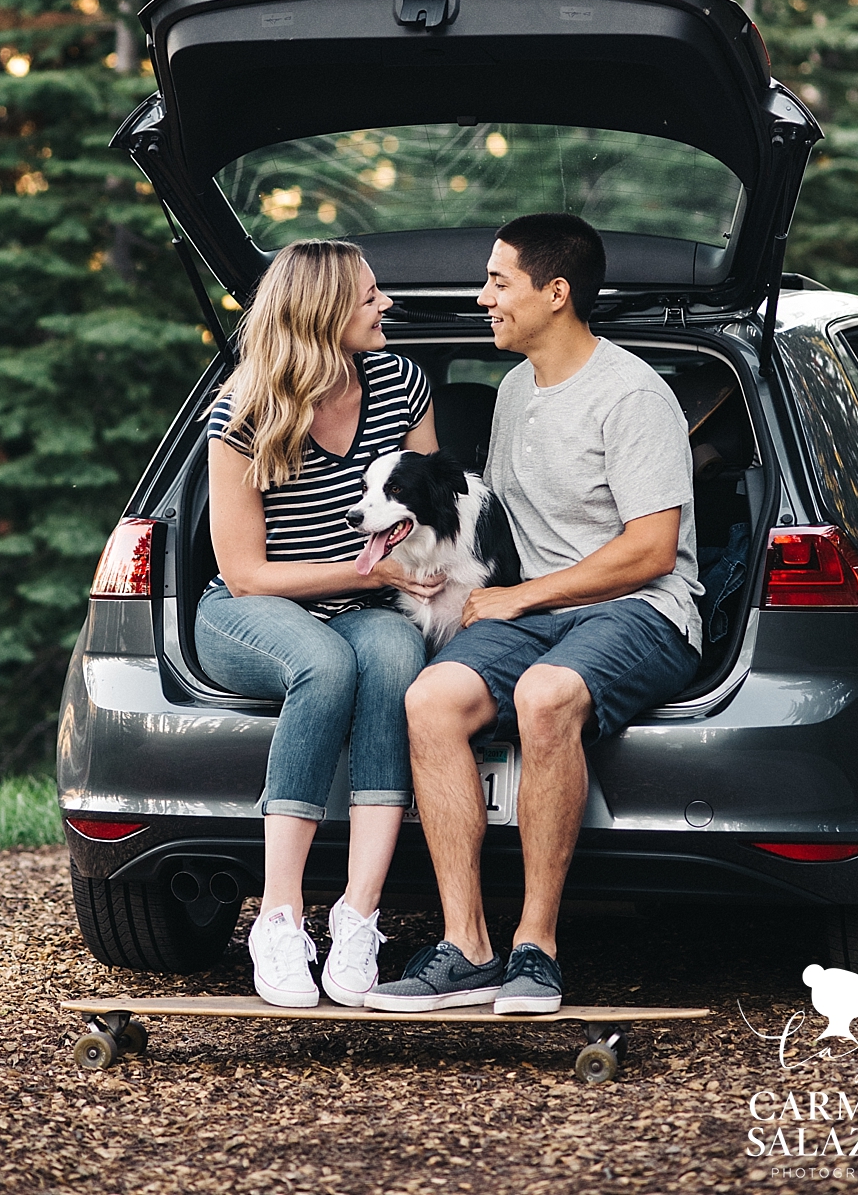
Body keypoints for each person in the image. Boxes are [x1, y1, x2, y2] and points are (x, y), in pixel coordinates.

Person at [368, 212, 703, 1015]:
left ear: (556, 293)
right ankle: (466, 946)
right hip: (536, 611)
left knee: (545, 695)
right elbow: (488, 523)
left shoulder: (631, 394)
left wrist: (520, 597)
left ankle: (537, 949)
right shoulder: (515, 388)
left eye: (497, 281)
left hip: (642, 610)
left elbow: (653, 550)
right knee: (429, 700)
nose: (482, 297)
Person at [197, 239, 441, 1009]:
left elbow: (427, 512)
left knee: (394, 659)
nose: (387, 306)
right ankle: (278, 916)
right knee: (326, 665)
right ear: (325, 310)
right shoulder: (243, 409)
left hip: (370, 605)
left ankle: (358, 915)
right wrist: (372, 569)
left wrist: (422, 574)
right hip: (251, 611)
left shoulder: (402, 383)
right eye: (371, 297)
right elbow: (246, 574)